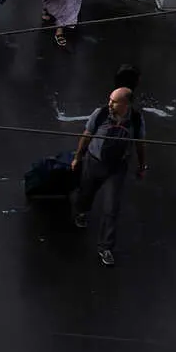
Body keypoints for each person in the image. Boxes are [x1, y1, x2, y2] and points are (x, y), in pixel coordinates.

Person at [71, 87, 147, 267]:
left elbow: (140, 143)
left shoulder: (136, 120)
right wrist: (78, 158)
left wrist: (142, 166)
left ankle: (106, 247)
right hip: (94, 162)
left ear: (126, 104)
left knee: (111, 207)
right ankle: (81, 211)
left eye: (114, 101)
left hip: (117, 168)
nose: (110, 104)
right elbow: (86, 135)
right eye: (110, 100)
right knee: (86, 193)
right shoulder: (100, 114)